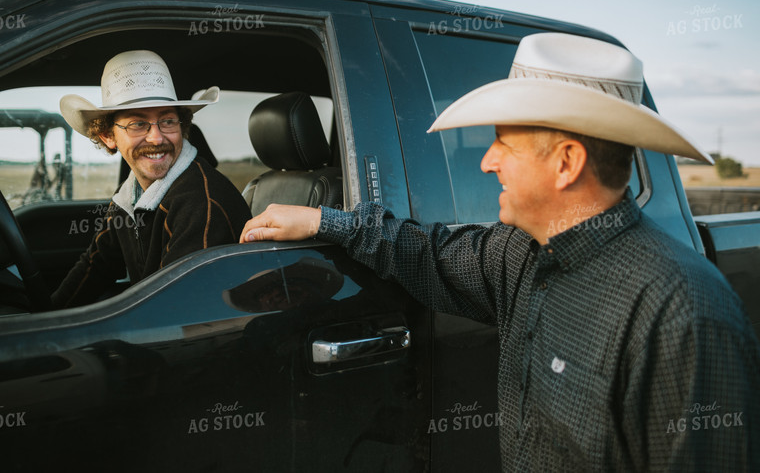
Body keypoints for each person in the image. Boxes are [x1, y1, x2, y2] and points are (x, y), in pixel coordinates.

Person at [238, 33, 760, 470]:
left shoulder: (682, 314)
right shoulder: (520, 253)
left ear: (566, 163)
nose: (487, 162)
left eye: (503, 143)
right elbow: (425, 253)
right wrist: (323, 219)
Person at [52, 50, 251, 309]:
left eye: (167, 121)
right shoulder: (130, 195)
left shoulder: (201, 203)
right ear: (108, 137)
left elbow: (181, 310)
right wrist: (45, 318)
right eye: (137, 124)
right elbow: (97, 264)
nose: (156, 138)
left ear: (182, 127)